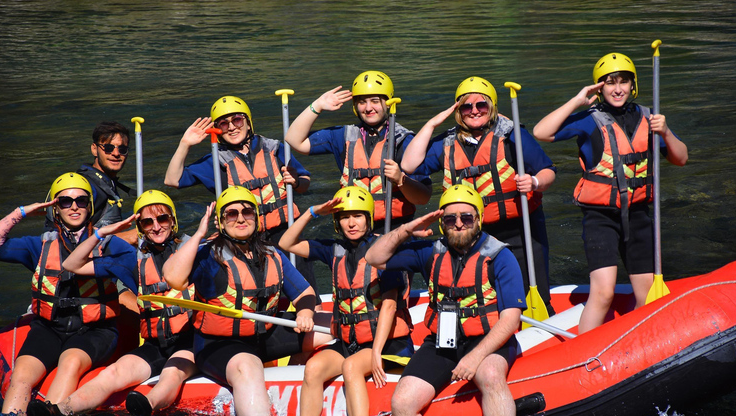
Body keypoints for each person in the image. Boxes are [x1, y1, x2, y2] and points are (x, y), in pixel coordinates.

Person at [162, 186, 334, 416]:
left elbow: (305, 294)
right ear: (220, 221)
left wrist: (306, 313)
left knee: (332, 327)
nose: (241, 218)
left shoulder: (271, 253)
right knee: (248, 365)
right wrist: (198, 234)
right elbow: (173, 278)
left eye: (247, 212)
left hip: (264, 335)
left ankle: (298, 376)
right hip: (218, 345)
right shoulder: (209, 256)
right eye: (231, 214)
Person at [532, 52, 688, 333]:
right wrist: (577, 101)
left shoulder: (650, 118)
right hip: (599, 218)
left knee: (647, 295)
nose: (618, 88)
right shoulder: (588, 120)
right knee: (603, 293)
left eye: (624, 82)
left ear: (633, 85)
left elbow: (681, 158)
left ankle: (638, 345)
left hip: (638, 216)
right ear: (599, 87)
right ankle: (583, 356)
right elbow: (541, 132)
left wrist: (665, 133)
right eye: (610, 82)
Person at [365, 184, 524, 416]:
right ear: (442, 223)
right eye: (450, 219)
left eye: (466, 217)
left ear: (479, 219)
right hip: (443, 342)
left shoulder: (500, 257)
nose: (458, 224)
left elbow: (511, 320)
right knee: (402, 402)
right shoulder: (429, 251)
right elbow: (374, 257)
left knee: (490, 376)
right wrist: (408, 229)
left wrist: (474, 358)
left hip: (487, 342)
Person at [25, 190, 198, 416]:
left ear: (173, 221)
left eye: (163, 219)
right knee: (112, 374)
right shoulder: (130, 260)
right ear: (140, 227)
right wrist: (100, 233)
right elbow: (71, 263)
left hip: (191, 343)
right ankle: (59, 410)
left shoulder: (197, 253)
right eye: (147, 221)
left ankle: (148, 405)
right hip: (155, 345)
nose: (156, 227)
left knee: (172, 373)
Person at [400, 76, 557, 315]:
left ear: (492, 107)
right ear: (458, 111)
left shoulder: (511, 135)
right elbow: (409, 165)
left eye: (481, 105)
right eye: (466, 106)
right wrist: (432, 123)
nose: (474, 111)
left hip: (520, 231)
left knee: (530, 294)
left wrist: (534, 182)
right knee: (483, 297)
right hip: (472, 235)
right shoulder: (447, 143)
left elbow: (548, 171)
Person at [279, 186, 414, 416]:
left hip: (386, 344)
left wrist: (375, 352)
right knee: (313, 368)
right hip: (349, 342)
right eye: (344, 217)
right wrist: (312, 212)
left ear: (369, 218)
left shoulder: (385, 251)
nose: (351, 223)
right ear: (336, 221)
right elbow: (286, 243)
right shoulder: (334, 250)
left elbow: (388, 306)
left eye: (358, 216)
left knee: (350, 367)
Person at [0, 173, 133, 416]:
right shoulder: (39, 245)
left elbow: (139, 275)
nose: (74, 206)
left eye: (81, 201)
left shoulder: (110, 244)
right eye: (65, 201)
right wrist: (22, 212)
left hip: (97, 330)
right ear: (55, 208)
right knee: (22, 372)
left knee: (71, 362)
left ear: (90, 206)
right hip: (49, 327)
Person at [163, 96, 316, 289]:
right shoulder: (215, 161)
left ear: (248, 122)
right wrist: (185, 144)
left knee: (305, 287)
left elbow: (304, 183)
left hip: (286, 231)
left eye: (237, 120)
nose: (232, 127)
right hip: (245, 237)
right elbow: (172, 180)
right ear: (218, 130)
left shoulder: (275, 148)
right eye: (223, 124)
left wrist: (295, 182)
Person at [284, 70, 432, 233]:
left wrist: (401, 179)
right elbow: (294, 139)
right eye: (362, 102)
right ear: (355, 106)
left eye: (375, 101)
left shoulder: (405, 140)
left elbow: (423, 198)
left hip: (396, 229)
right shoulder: (342, 136)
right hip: (355, 230)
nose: (368, 108)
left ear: (388, 102)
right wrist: (317, 106)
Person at [45, 121, 136, 233]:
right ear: (94, 149)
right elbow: (72, 238)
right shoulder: (86, 187)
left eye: (122, 149)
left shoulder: (104, 182)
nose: (116, 153)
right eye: (108, 148)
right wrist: (129, 237)